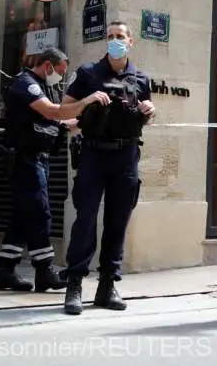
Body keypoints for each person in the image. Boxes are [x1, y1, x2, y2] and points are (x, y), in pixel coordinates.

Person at [0, 48, 111, 293]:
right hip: (25, 158)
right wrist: (85, 101)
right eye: (59, 71)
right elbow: (51, 111)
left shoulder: (44, 87)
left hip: (38, 158)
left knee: (22, 215)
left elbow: (57, 123)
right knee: (39, 213)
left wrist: (88, 119)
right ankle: (44, 271)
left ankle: (5, 271)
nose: (60, 77)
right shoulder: (27, 84)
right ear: (47, 66)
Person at [60, 21, 155, 315]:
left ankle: (106, 286)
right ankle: (74, 284)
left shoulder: (141, 78)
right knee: (85, 220)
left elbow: (145, 116)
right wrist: (87, 102)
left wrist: (150, 111)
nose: (115, 41)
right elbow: (64, 110)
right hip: (93, 154)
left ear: (130, 42)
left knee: (117, 223)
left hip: (126, 156)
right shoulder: (89, 73)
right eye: (111, 36)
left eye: (120, 37)